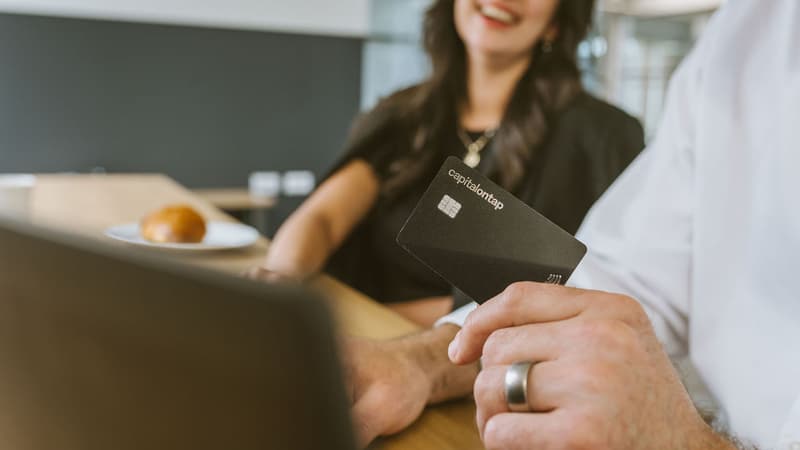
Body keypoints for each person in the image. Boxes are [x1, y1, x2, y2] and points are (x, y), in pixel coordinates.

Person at [345, 1, 800, 448]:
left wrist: (686, 442)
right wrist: (423, 361)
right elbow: (623, 276)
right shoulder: (746, 29)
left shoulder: (599, 134)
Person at [248, 0, 643, 326]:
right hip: (362, 343)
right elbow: (323, 218)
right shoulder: (401, 115)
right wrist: (281, 281)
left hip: (489, 376)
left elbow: (578, 288)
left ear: (557, 23)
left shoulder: (600, 135)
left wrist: (368, 320)